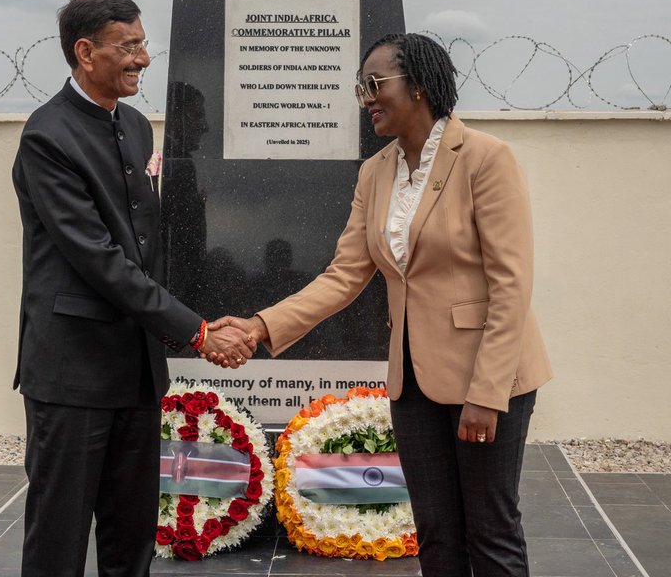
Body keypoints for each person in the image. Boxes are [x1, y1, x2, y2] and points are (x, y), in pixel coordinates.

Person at [218, 32, 552, 577]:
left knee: (490, 532)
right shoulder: (375, 174)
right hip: (413, 385)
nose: (365, 97)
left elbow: (511, 284)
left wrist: (487, 395)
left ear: (418, 86)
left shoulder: (486, 159)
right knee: (437, 534)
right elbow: (344, 275)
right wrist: (259, 326)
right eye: (360, 88)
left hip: (487, 378)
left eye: (375, 84)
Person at [12, 0, 254, 577]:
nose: (144, 59)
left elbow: (147, 246)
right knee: (59, 538)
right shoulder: (47, 138)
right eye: (130, 47)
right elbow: (99, 259)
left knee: (132, 534)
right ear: (86, 51)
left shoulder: (138, 127)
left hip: (137, 369)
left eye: (144, 45)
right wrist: (197, 332)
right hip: (73, 371)